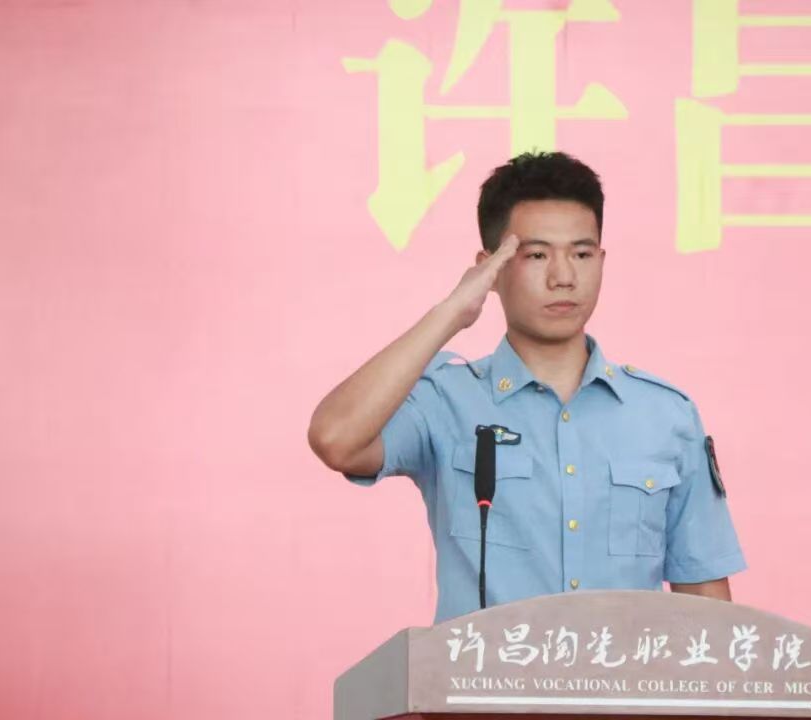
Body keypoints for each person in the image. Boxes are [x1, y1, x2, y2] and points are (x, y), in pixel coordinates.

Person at [308, 151, 746, 624]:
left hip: (624, 674)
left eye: (582, 254)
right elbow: (336, 439)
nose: (564, 277)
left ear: (602, 260)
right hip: (484, 675)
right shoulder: (446, 400)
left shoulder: (665, 415)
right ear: (491, 269)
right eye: (536, 255)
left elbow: (707, 608)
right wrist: (452, 312)